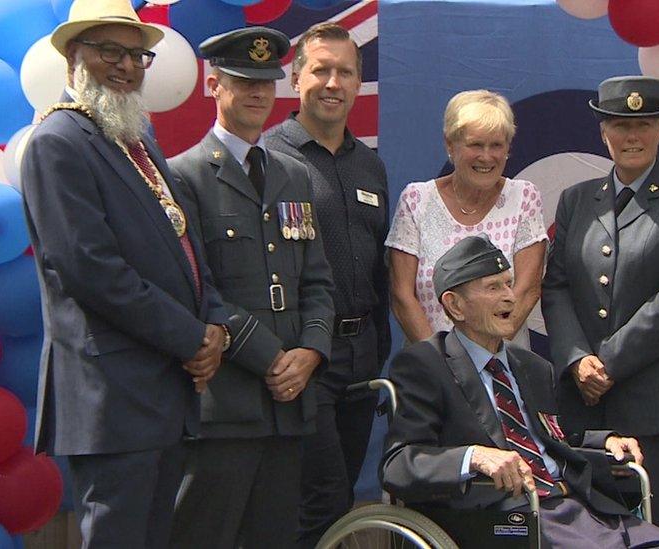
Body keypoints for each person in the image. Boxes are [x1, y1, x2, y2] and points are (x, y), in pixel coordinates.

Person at [19, 0, 228, 546]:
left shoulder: (135, 139)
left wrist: (214, 325)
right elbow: (92, 271)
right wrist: (191, 337)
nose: (126, 65)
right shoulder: (58, 143)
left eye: (137, 55)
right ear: (72, 58)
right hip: (114, 397)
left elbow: (185, 245)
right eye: (109, 51)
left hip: (161, 391)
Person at [381, 235, 659, 548]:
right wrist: (473, 457)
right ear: (455, 305)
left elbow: (556, 438)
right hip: (507, 518)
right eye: (493, 287)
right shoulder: (426, 366)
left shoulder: (533, 366)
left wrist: (606, 440)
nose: (510, 298)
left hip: (578, 507)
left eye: (508, 284)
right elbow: (399, 464)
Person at [167, 27, 336, 548]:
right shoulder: (183, 176)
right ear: (213, 85)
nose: (258, 93)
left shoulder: (294, 175)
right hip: (226, 404)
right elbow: (198, 290)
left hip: (289, 404)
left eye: (265, 81)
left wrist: (310, 349)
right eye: (243, 81)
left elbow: (317, 280)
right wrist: (272, 358)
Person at [541, 76, 659, 548]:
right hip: (590, 408)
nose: (632, 136)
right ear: (603, 131)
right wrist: (576, 358)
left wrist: (609, 362)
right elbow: (556, 286)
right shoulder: (577, 200)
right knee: (592, 537)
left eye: (644, 124)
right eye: (620, 125)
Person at [263, 22, 389, 546]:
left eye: (345, 72)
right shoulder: (268, 158)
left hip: (362, 360)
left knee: (337, 503)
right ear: (297, 79)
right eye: (321, 70)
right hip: (301, 361)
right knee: (322, 500)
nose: (333, 82)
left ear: (359, 82)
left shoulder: (371, 166)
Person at [385, 90, 547, 347]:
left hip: (501, 366)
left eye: (496, 145)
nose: (486, 156)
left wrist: (480, 362)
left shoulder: (523, 197)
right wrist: (442, 364)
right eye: (475, 144)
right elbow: (402, 295)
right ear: (450, 144)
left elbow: (527, 291)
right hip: (431, 370)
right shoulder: (417, 199)